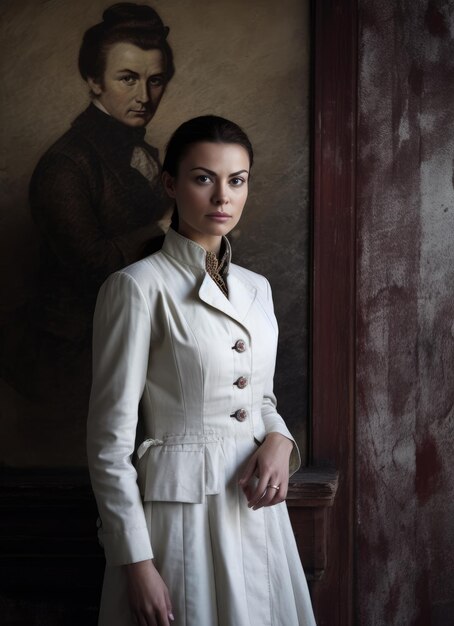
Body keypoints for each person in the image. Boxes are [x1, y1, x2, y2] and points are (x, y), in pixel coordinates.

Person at [87, 115, 317, 626]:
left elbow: (260, 400)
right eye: (203, 178)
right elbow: (108, 442)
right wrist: (134, 561)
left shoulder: (258, 289)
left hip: (257, 512)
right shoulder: (137, 287)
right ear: (170, 183)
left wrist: (280, 440)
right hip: (180, 518)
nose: (222, 197)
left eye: (237, 180)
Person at [3, 4, 174, 414]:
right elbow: (92, 266)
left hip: (129, 341)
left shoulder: (142, 150)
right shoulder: (67, 164)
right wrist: (165, 228)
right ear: (94, 81)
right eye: (128, 78)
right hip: (71, 356)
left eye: (155, 80)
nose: (144, 96)